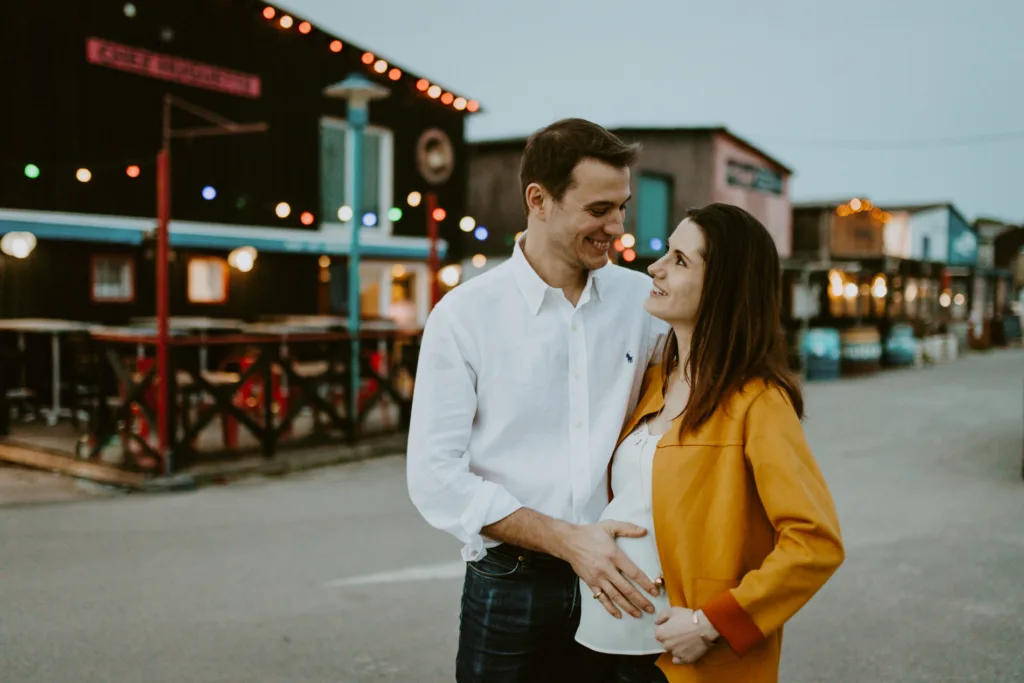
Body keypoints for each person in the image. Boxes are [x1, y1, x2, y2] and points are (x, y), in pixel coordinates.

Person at [406, 118, 669, 683]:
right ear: (539, 200)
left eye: (622, 207)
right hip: (511, 580)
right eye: (599, 209)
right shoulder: (464, 315)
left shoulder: (642, 302)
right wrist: (569, 542)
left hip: (625, 573)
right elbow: (434, 477)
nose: (617, 227)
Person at [574, 203, 845, 683]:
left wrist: (713, 622)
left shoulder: (757, 401)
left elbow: (814, 542)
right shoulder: (654, 380)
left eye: (680, 260)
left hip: (685, 659)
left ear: (723, 285)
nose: (655, 268)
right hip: (607, 645)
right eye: (666, 254)